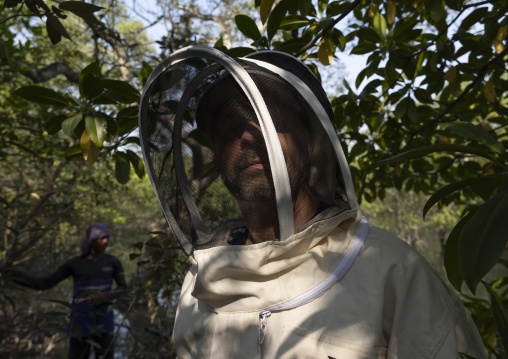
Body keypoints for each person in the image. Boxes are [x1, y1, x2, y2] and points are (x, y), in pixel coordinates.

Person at [139, 46, 487, 358]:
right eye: (232, 130)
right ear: (217, 154)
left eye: (272, 121)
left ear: (309, 142)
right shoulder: (199, 282)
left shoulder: (392, 269)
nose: (249, 136)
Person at [11, 223, 127, 359]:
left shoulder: (113, 262)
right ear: (91, 240)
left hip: (104, 325)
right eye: (101, 238)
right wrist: (13, 275)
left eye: (107, 237)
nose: (105, 241)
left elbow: (123, 288)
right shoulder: (74, 264)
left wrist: (106, 296)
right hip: (79, 325)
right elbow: (43, 284)